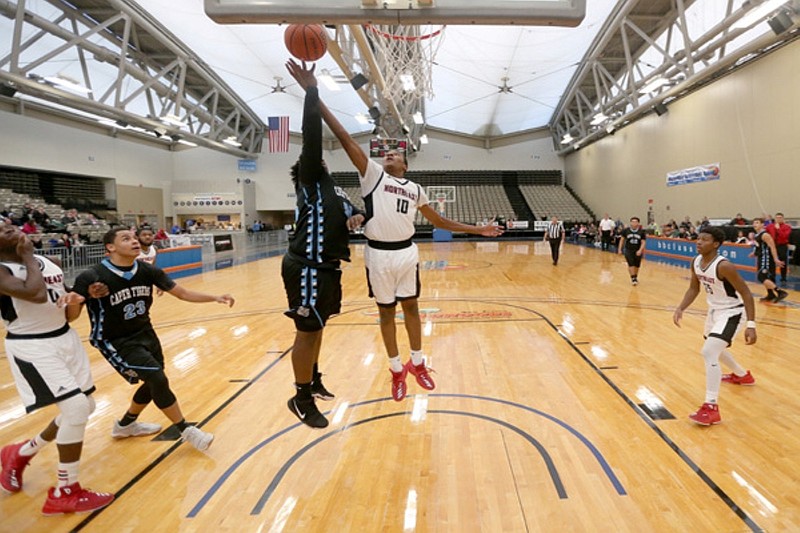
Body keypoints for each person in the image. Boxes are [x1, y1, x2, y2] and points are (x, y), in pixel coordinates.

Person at [285, 59, 503, 403]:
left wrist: (480, 229)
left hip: (407, 252)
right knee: (386, 313)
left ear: (406, 165)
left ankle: (418, 363)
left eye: (395, 155)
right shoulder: (373, 176)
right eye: (385, 153)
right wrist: (313, 95)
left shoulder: (416, 189)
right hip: (379, 254)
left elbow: (440, 223)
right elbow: (343, 137)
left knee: (412, 308)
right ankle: (396, 369)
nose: (388, 155)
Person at [59, 227, 235, 450]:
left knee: (155, 381)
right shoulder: (92, 276)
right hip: (114, 340)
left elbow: (182, 293)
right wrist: (74, 302)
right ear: (110, 248)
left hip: (145, 332)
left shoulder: (147, 270)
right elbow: (72, 318)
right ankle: (186, 430)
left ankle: (125, 425)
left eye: (134, 238)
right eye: (126, 239)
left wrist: (215, 297)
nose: (134, 241)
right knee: (158, 379)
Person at [0, 222, 113, 514]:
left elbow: (66, 311)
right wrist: (26, 255)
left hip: (64, 338)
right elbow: (35, 294)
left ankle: (21, 452)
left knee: (85, 405)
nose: (11, 229)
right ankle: (65, 491)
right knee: (75, 409)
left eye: (11, 225)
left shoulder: (52, 262)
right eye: (3, 230)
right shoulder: (3, 269)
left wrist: (83, 296)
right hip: (32, 345)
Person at [281, 66, 365, 429]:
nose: (321, 160)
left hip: (328, 268)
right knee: (307, 330)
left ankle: (312, 379)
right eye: (315, 160)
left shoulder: (334, 191)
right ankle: (299, 397)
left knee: (318, 327)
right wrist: (311, 92)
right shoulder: (311, 183)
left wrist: (357, 216)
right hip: (307, 267)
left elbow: (355, 210)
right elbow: (311, 137)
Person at [673, 227, 757, 426]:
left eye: (704, 239)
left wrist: (751, 325)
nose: (699, 242)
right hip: (714, 311)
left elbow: (746, 293)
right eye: (698, 238)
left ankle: (711, 407)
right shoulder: (695, 261)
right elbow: (694, 288)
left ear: (716, 244)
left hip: (733, 311)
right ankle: (742, 375)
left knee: (709, 351)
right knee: (713, 348)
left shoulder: (724, 266)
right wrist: (681, 308)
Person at [750, 217, 788, 302]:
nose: (755, 224)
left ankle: (780, 292)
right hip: (761, 257)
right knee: (768, 277)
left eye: (757, 223)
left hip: (766, 259)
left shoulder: (765, 235)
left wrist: (776, 259)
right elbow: (759, 247)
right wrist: (754, 253)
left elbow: (772, 246)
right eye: (754, 223)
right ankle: (770, 294)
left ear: (763, 225)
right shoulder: (757, 235)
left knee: (761, 276)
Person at [618, 216, 647, 285]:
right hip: (628, 249)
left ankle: (635, 276)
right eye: (633, 222)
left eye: (635, 222)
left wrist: (640, 250)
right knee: (631, 264)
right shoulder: (626, 231)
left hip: (637, 250)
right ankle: (633, 278)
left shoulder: (641, 232)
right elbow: (622, 240)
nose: (634, 223)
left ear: (638, 223)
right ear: (630, 223)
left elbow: (643, 242)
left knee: (637, 265)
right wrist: (619, 249)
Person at [766, 212, 791, 285]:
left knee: (783, 262)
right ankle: (772, 276)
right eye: (777, 217)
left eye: (780, 218)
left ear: (783, 219)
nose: (778, 219)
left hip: (782, 246)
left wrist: (778, 229)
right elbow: (767, 235)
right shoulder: (770, 226)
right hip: (772, 245)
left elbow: (785, 236)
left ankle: (783, 277)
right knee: (771, 261)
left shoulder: (787, 227)